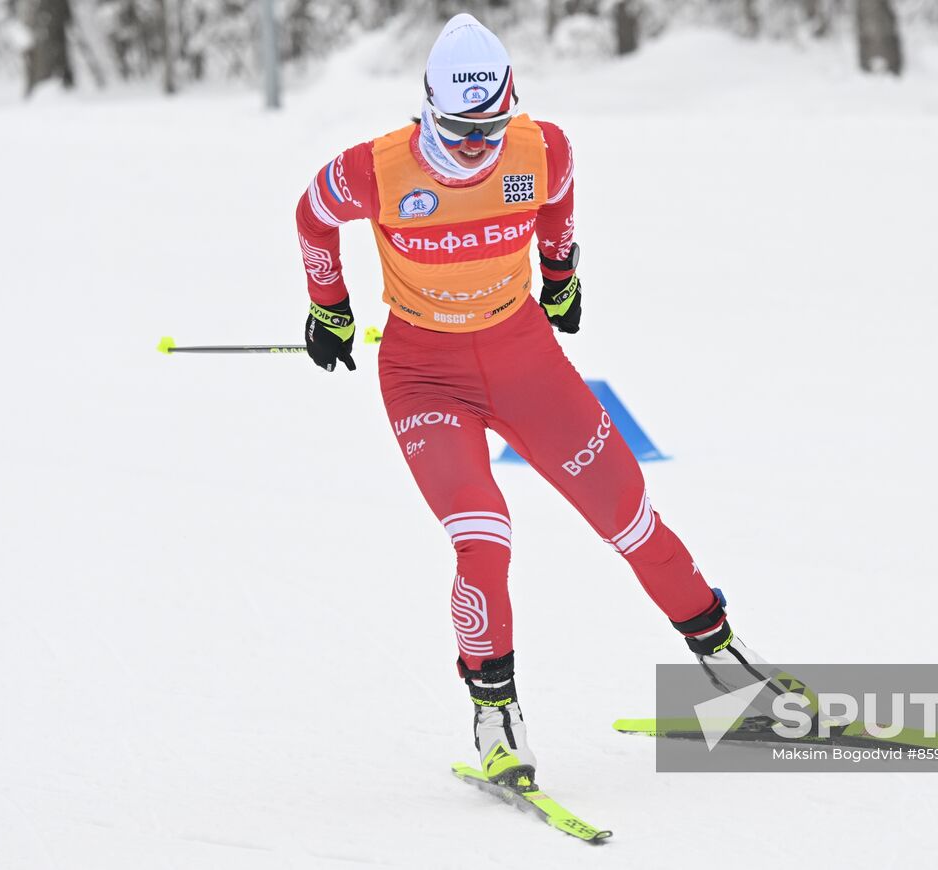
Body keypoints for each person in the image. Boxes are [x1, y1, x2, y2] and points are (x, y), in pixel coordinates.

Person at [295, 13, 789, 788]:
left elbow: (557, 200)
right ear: (427, 109)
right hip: (426, 374)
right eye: (457, 129)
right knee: (484, 536)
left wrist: (561, 275)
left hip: (523, 357)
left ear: (511, 105)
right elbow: (313, 216)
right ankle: (496, 713)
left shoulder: (541, 147)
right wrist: (330, 305)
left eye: (488, 125)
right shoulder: (376, 168)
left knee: (629, 514)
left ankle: (725, 658)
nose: (473, 146)